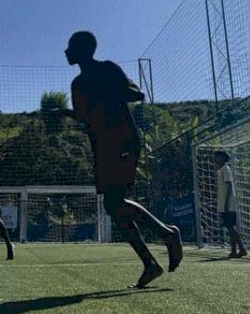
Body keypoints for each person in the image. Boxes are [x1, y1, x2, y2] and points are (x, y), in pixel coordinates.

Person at [61, 31, 182, 288]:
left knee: (114, 201)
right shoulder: (77, 84)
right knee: (112, 207)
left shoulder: (107, 69)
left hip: (123, 140)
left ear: (83, 49)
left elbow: (136, 94)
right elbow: (84, 117)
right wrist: (65, 114)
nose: (66, 51)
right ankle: (150, 262)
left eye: (70, 46)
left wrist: (109, 94)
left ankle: (167, 235)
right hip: (102, 147)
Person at [214, 150, 247, 258]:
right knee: (230, 227)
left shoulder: (225, 169)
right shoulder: (221, 170)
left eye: (218, 157)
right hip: (224, 204)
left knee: (230, 227)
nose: (216, 159)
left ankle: (241, 248)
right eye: (216, 157)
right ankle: (234, 251)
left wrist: (226, 202)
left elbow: (229, 186)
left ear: (224, 158)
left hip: (228, 204)